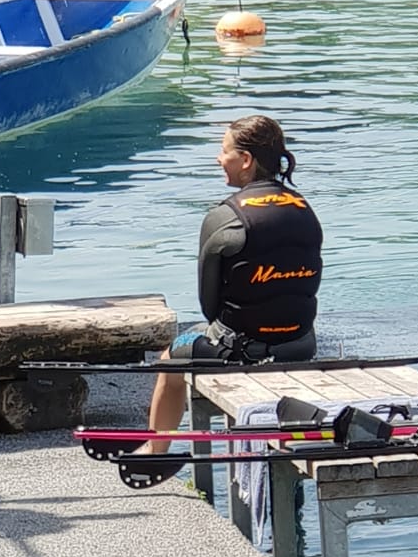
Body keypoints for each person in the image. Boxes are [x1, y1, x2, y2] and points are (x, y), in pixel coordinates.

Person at [127, 115, 322, 478]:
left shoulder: (223, 217)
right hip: (299, 344)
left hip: (241, 349)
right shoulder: (304, 208)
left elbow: (209, 306)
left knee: (169, 358)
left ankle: (155, 450)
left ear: (245, 160)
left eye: (224, 151)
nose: (219, 159)